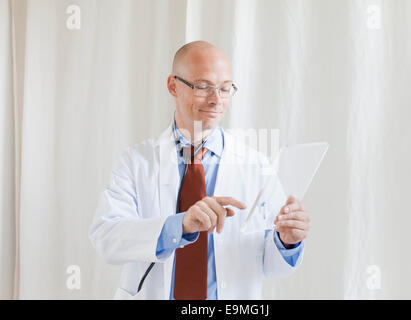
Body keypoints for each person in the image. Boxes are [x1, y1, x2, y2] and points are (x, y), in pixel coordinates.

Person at [89, 41, 311, 300]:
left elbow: (273, 267)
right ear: (173, 86)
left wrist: (287, 242)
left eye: (225, 88)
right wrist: (180, 226)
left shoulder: (256, 166)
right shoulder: (137, 162)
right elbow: (106, 239)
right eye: (204, 87)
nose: (216, 99)